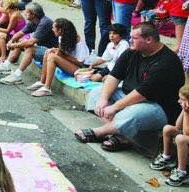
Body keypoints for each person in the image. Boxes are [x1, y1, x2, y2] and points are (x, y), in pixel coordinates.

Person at [75, 23, 184, 151]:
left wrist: (115, 107)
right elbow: (114, 76)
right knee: (97, 94)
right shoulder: (132, 52)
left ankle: (99, 132)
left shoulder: (166, 62)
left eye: (134, 38)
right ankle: (120, 136)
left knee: (132, 113)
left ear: (149, 40)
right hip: (129, 95)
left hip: (158, 106)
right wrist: (104, 99)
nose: (129, 40)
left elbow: (142, 93)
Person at [0, 2, 59, 84]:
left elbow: (31, 42)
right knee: (20, 41)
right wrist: (11, 41)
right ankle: (6, 65)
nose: (24, 13)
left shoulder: (45, 23)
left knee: (30, 48)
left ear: (33, 14)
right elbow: (20, 33)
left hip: (51, 52)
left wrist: (14, 44)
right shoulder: (33, 21)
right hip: (43, 49)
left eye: (26, 12)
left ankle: (17, 76)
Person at [26, 18, 89, 97]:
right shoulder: (61, 37)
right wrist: (55, 50)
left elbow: (81, 62)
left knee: (52, 57)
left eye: (54, 28)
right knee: (48, 52)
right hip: (69, 64)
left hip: (80, 69)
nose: (52, 29)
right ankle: (42, 82)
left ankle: (47, 88)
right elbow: (61, 51)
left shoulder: (78, 40)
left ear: (60, 30)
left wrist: (62, 55)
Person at [149, 84, 189, 187]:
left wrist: (186, 113)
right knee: (168, 128)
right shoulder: (186, 109)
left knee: (180, 139)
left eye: (182, 99)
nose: (179, 101)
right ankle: (167, 157)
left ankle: (182, 172)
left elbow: (186, 132)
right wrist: (183, 111)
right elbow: (178, 125)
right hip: (186, 133)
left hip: (186, 135)